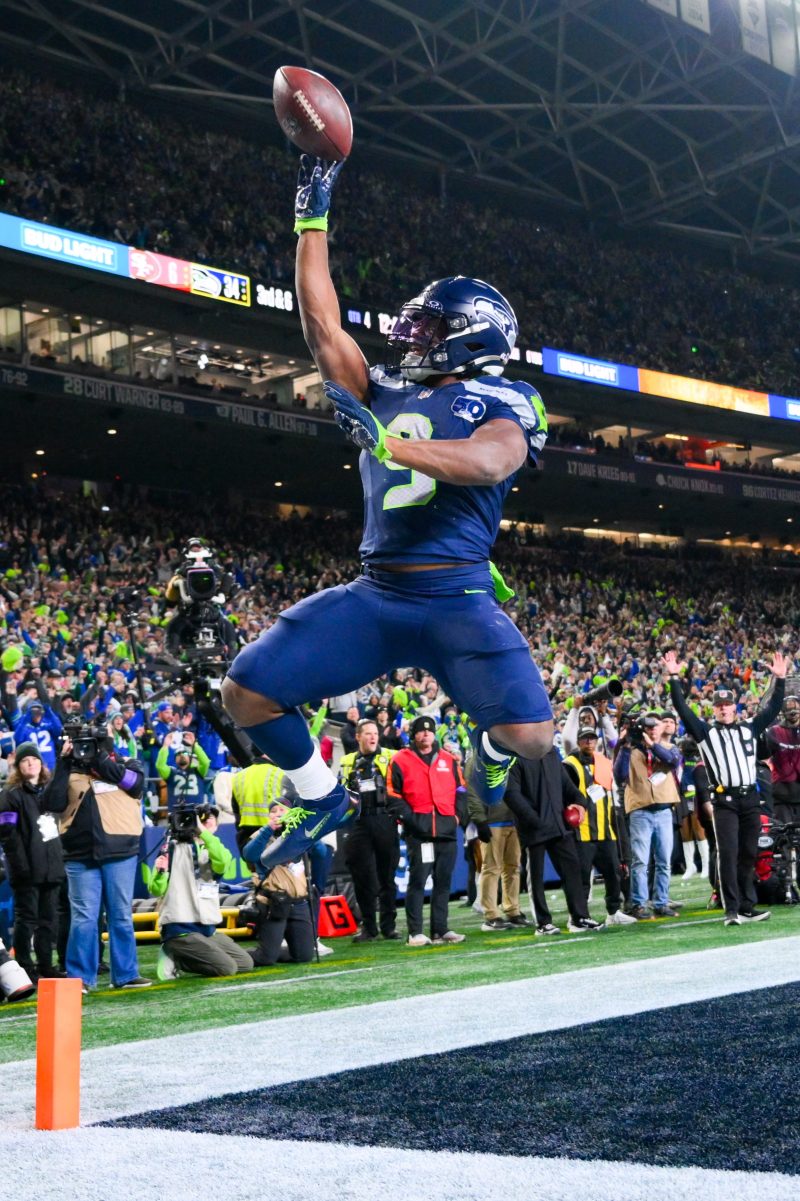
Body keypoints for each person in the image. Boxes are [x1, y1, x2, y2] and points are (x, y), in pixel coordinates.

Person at [220, 154, 552, 870]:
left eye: (431, 327)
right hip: (378, 592)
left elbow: (489, 461)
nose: (412, 336)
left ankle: (488, 752)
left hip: (457, 594)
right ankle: (320, 795)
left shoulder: (509, 398)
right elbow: (321, 324)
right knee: (246, 693)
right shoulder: (385, 386)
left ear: (473, 335)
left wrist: (387, 444)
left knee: (531, 738)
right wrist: (311, 216)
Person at [663, 650, 787, 926]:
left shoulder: (749, 728)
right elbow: (682, 709)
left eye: (727, 704)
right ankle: (731, 909)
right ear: (714, 709)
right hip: (725, 802)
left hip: (749, 798)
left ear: (734, 708)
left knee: (749, 853)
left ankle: (746, 906)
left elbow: (772, 710)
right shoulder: (705, 733)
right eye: (718, 705)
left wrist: (780, 680)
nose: (723, 708)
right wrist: (673, 677)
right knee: (728, 854)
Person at [42, 726, 151, 991]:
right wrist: (63, 763)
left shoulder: (128, 764)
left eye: (97, 743)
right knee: (84, 917)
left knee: (120, 915)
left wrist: (99, 759)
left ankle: (126, 975)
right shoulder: (69, 769)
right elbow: (52, 803)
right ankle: (79, 978)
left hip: (120, 849)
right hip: (80, 854)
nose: (88, 750)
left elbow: (135, 786)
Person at [147, 802, 254, 980]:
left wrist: (202, 832)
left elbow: (222, 862)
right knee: (227, 968)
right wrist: (160, 872)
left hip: (206, 929)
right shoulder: (172, 847)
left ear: (217, 825)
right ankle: (176, 956)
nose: (206, 823)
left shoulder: (215, 849)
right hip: (180, 928)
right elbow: (156, 889)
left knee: (245, 963)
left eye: (211, 820)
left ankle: (181, 957)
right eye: (201, 820)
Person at [386, 715, 467, 946]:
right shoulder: (400, 760)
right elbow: (392, 794)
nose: (426, 734)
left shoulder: (448, 759)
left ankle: (440, 929)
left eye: (429, 730)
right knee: (418, 882)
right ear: (413, 734)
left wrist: (457, 817)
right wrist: (412, 820)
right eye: (421, 731)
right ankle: (415, 932)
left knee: (443, 882)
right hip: (419, 833)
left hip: (446, 830)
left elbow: (462, 789)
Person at [504, 748, 603, 934]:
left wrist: (580, 803)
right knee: (536, 877)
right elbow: (511, 794)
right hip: (534, 829)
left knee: (572, 870)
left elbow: (567, 786)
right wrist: (534, 820)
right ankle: (543, 923)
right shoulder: (515, 757)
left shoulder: (550, 755)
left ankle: (579, 917)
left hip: (559, 825)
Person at [0, 743, 66, 979]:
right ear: (18, 766)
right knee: (26, 919)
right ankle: (25, 969)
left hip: (52, 867)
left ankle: (46, 966)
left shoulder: (49, 792)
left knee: (49, 920)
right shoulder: (10, 795)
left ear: (41, 763)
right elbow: (7, 836)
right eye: (25, 760)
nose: (31, 763)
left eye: (35, 759)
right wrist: (21, 868)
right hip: (26, 870)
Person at [562, 729, 636, 926]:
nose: (589, 742)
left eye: (592, 738)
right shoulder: (569, 765)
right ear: (578, 741)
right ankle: (578, 916)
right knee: (581, 877)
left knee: (614, 873)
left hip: (605, 828)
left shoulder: (603, 761)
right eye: (585, 739)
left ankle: (614, 911)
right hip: (582, 830)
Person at [613, 713, 681, 920]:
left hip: (664, 810)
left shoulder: (669, 747)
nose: (652, 730)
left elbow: (672, 762)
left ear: (662, 728)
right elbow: (619, 776)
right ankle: (640, 904)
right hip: (640, 810)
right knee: (640, 862)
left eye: (655, 726)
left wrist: (653, 746)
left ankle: (661, 902)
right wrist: (625, 746)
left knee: (664, 861)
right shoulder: (630, 750)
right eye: (648, 727)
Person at [338, 719, 400, 942]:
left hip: (385, 818)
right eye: (368, 733)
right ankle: (368, 927)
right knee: (362, 876)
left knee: (387, 876)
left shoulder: (392, 756)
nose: (373, 737)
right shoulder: (347, 761)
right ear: (358, 737)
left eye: (375, 733)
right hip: (359, 821)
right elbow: (340, 791)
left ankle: (389, 926)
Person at [242, 802, 316, 967]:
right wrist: (268, 829)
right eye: (273, 811)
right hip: (274, 902)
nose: (278, 813)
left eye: (282, 810)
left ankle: (275, 951)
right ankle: (234, 955)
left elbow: (321, 851)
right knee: (265, 958)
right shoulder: (261, 836)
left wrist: (305, 827)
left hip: (299, 903)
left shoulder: (300, 835)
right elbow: (249, 854)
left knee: (304, 956)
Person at [466, 781, 529, 931]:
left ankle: (512, 910)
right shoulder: (480, 765)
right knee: (491, 868)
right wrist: (480, 820)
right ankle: (491, 915)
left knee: (513, 868)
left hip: (514, 819)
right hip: (492, 820)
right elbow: (472, 790)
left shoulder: (513, 765)